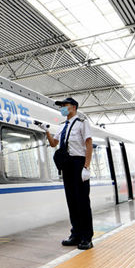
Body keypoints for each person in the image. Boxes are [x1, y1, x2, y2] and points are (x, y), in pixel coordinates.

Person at [39, 97, 94, 250]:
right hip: (67, 166)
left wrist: (86, 167)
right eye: (61, 106)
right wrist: (46, 131)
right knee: (72, 201)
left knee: (82, 202)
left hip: (79, 163)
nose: (62, 108)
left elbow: (89, 144)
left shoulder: (82, 123)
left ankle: (87, 237)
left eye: (65, 105)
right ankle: (75, 235)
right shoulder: (62, 126)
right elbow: (53, 144)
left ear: (74, 107)